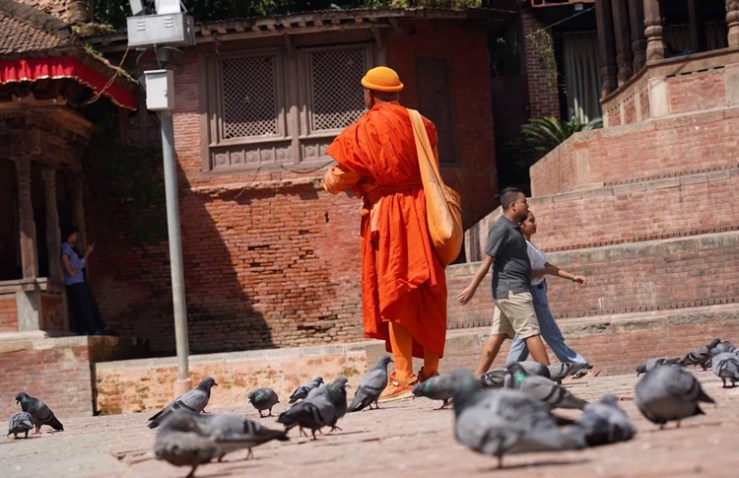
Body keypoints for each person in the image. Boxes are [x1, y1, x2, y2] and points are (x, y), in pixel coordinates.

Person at [321, 66, 447, 400]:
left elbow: (343, 175)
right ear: (398, 92)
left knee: (396, 292)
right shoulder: (423, 124)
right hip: (425, 209)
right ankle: (431, 372)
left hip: (389, 214)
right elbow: (430, 167)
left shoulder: (365, 128)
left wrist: (332, 181)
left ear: (368, 94)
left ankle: (403, 376)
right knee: (428, 291)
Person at [456, 188, 550, 376]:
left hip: (507, 292)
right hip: (513, 291)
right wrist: (471, 288)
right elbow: (487, 262)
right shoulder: (501, 229)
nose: (527, 204)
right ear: (513, 206)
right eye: (524, 201)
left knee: (497, 336)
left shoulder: (514, 228)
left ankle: (477, 378)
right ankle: (549, 377)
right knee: (531, 332)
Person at [506, 210, 590, 366]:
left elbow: (548, 266)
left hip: (538, 290)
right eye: (531, 221)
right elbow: (525, 274)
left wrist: (572, 277)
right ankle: (578, 366)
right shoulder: (521, 247)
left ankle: (508, 371)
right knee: (551, 332)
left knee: (525, 336)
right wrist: (546, 271)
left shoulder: (532, 246)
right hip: (532, 292)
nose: (535, 224)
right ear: (521, 225)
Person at [61, 224, 115, 336]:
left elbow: (80, 263)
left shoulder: (72, 248)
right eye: (75, 235)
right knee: (83, 306)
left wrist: (87, 253)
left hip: (80, 280)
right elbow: (65, 258)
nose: (76, 237)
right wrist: (70, 271)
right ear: (70, 235)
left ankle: (98, 327)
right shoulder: (66, 246)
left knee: (89, 304)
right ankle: (93, 329)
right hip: (74, 282)